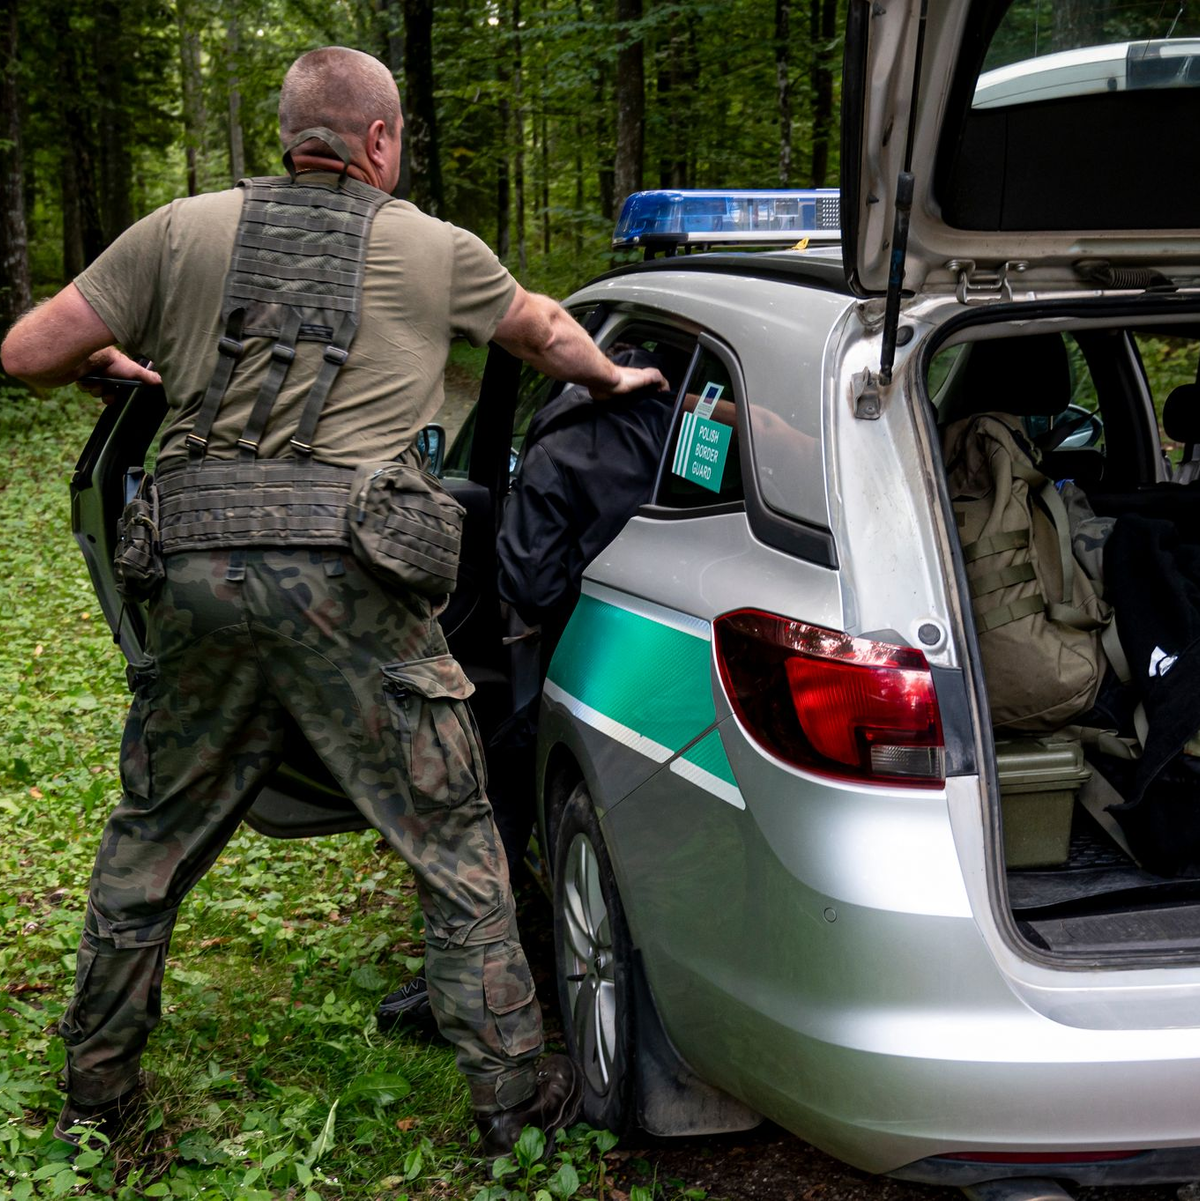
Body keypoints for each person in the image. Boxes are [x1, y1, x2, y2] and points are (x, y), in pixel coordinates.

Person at [0, 45, 664, 1159]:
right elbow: (545, 332)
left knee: (148, 844)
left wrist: (116, 359)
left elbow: (26, 350)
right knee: (455, 842)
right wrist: (612, 379)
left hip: (197, 578)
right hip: (354, 586)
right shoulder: (436, 249)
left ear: (289, 136)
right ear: (380, 142)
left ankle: (99, 1102)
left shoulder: (176, 230)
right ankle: (509, 1106)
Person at [376, 345, 674, 1036]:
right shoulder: (711, 427)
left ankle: (464, 982)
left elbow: (530, 584)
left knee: (499, 777)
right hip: (690, 661)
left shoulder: (561, 445)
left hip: (596, 659)